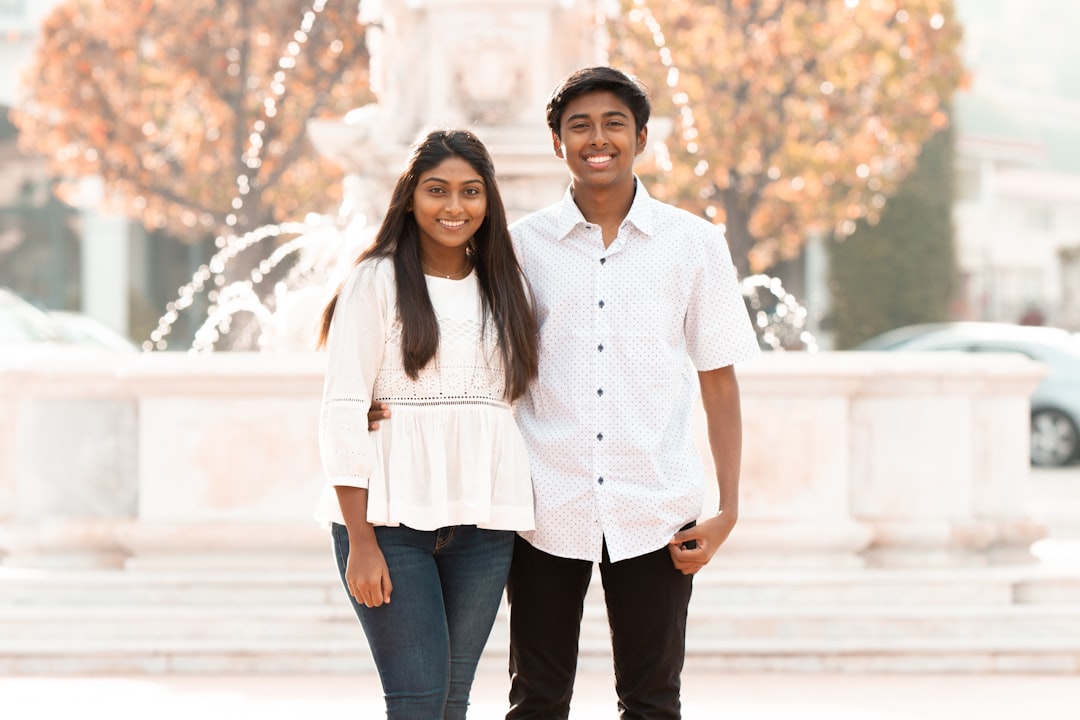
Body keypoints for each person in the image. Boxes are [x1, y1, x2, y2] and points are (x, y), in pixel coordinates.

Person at [502, 66, 760, 719]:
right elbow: (483, 367)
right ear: (557, 142)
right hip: (542, 505)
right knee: (535, 700)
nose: (598, 138)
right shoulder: (520, 247)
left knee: (652, 701)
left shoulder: (694, 243)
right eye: (579, 126)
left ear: (641, 137)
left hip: (657, 505)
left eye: (614, 123)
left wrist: (727, 507)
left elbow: (718, 379)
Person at [314, 128, 539, 720]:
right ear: (410, 196)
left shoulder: (506, 286)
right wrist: (359, 541)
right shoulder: (376, 281)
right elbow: (341, 409)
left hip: (482, 524)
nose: (454, 207)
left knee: (451, 701)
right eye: (437, 190)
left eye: (470, 191)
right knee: (416, 701)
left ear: (488, 201)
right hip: (388, 523)